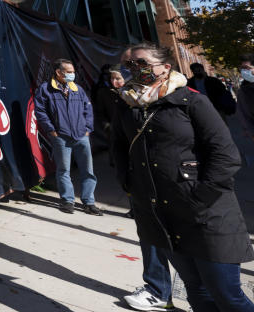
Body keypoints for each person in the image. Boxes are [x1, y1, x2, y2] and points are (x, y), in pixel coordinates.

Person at [113, 43, 254, 312]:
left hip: (206, 214)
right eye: (127, 64)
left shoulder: (191, 101)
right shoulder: (127, 105)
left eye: (140, 63)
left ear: (165, 68)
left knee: (227, 295)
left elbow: (225, 154)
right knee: (197, 293)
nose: (132, 69)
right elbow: (119, 149)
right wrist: (131, 187)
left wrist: (201, 196)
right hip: (163, 216)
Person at [33, 58, 102, 215]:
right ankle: (67, 200)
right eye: (69, 72)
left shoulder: (77, 89)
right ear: (59, 72)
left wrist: (87, 129)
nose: (73, 75)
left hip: (81, 136)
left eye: (73, 72)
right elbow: (40, 112)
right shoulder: (45, 89)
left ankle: (89, 202)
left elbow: (88, 109)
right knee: (64, 170)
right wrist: (51, 130)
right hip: (61, 137)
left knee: (88, 170)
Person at [238, 53, 254, 141]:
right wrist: (248, 129)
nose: (244, 72)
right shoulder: (243, 90)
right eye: (242, 68)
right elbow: (242, 112)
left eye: (247, 68)